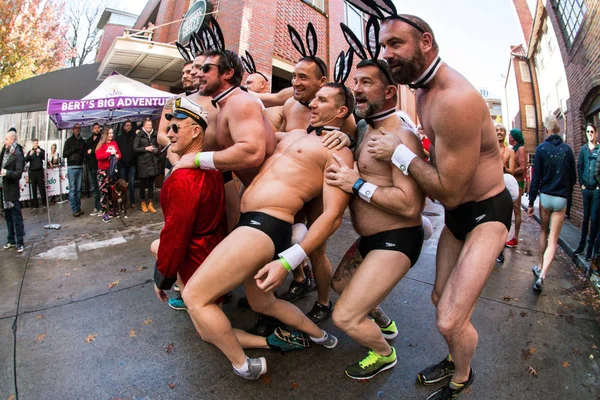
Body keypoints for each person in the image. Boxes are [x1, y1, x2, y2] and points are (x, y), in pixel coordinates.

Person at [365, 13, 512, 399]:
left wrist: (399, 154)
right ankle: (456, 354)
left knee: (449, 318)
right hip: (457, 216)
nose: (387, 53)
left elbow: (446, 190)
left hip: (487, 214)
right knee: (439, 298)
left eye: (396, 44)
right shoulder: (424, 92)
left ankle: (462, 376)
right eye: (384, 46)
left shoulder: (454, 98)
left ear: (425, 42)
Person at [179, 84, 352, 380]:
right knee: (263, 302)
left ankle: (244, 366)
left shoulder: (339, 151)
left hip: (267, 225)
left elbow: (333, 215)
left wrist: (290, 260)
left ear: (341, 111)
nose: (313, 103)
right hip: (252, 223)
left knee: (195, 296)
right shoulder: (296, 135)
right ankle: (320, 336)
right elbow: (257, 115)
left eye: (322, 100)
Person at [327, 59, 426, 379]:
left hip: (398, 239)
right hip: (369, 239)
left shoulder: (403, 136)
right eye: (356, 82)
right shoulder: (366, 125)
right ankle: (383, 321)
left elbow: (411, 206)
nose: (357, 89)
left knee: (344, 317)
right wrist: (348, 140)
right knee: (339, 284)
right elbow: (363, 152)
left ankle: (385, 353)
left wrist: (356, 185)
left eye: (367, 82)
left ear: (390, 91)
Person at [153, 97, 228, 308]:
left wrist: (162, 279)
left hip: (195, 255)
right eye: (169, 127)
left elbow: (176, 233)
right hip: (212, 250)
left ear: (196, 131)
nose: (169, 134)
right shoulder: (210, 167)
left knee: (208, 327)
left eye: (175, 127)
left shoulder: (184, 177)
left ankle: (268, 342)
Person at [527, 115, 576, 291]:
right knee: (553, 239)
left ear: (546, 130)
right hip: (561, 198)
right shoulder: (567, 150)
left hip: (546, 197)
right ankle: (543, 275)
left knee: (543, 231)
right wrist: (567, 200)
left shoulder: (540, 149)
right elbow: (573, 179)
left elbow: (536, 179)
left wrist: (531, 201)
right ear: (559, 130)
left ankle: (539, 265)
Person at [574, 123, 599, 260]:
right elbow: (579, 167)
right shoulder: (584, 150)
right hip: (585, 190)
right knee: (585, 218)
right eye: (588, 131)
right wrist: (582, 184)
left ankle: (590, 250)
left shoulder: (599, 149)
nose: (589, 134)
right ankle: (581, 246)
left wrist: (598, 186)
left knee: (594, 219)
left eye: (592, 132)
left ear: (595, 133)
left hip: (596, 190)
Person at [1, 128, 25, 253]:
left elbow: (19, 174)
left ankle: (20, 241)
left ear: (12, 140)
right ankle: (11, 240)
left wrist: (6, 173)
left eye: (6, 139)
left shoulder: (18, 154)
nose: (4, 141)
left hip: (12, 190)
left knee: (16, 216)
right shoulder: (4, 152)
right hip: (4, 189)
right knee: (8, 216)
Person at [95, 128, 122, 223]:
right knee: (104, 192)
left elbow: (119, 154)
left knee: (111, 191)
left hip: (112, 171)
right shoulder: (101, 144)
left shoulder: (114, 143)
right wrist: (109, 153)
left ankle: (111, 210)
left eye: (112, 133)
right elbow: (98, 156)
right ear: (106, 134)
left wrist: (117, 156)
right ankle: (103, 212)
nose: (111, 135)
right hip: (103, 172)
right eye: (109, 133)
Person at [506, 129, 527, 248]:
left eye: (509, 135)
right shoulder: (512, 150)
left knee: (516, 209)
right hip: (511, 182)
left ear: (514, 137)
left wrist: (510, 171)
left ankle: (515, 237)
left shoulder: (521, 149)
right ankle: (507, 235)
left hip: (518, 183)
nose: (508, 137)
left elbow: (523, 167)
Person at [134, 119, 159, 213]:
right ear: (144, 126)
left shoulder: (154, 135)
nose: (149, 127)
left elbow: (157, 146)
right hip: (143, 163)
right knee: (143, 184)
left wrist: (155, 150)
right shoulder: (139, 135)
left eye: (150, 125)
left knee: (151, 185)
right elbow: (135, 148)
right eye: (148, 125)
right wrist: (146, 148)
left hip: (152, 162)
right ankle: (143, 202)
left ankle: (150, 204)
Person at [62, 123, 87, 217]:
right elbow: (64, 154)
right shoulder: (68, 141)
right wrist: (73, 149)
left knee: (79, 189)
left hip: (79, 166)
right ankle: (74, 209)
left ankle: (78, 207)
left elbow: (84, 152)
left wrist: (82, 154)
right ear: (73, 130)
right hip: (71, 167)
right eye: (76, 128)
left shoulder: (82, 141)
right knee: (73, 189)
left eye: (79, 128)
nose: (77, 130)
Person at [115, 120, 137, 209]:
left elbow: (135, 149)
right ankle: (124, 201)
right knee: (123, 185)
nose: (129, 127)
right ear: (124, 127)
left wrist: (133, 158)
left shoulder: (134, 137)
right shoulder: (119, 138)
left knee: (131, 184)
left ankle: (132, 201)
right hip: (122, 164)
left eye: (130, 125)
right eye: (127, 125)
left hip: (132, 163)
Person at [85, 123, 102, 216]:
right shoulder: (88, 140)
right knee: (94, 187)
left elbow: (98, 150)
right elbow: (85, 152)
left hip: (99, 166)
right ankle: (96, 206)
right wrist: (90, 152)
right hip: (91, 166)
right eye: (95, 128)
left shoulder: (101, 139)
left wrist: (91, 151)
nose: (97, 129)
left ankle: (101, 207)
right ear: (92, 129)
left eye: (98, 128)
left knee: (100, 187)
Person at [24, 138, 46, 208]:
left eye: (36, 143)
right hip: (33, 172)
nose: (35, 144)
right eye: (34, 143)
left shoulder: (40, 150)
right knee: (33, 188)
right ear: (33, 144)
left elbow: (45, 157)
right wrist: (30, 155)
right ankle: (35, 203)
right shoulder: (30, 151)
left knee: (41, 187)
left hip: (39, 171)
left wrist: (40, 152)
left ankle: (44, 201)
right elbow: (26, 160)